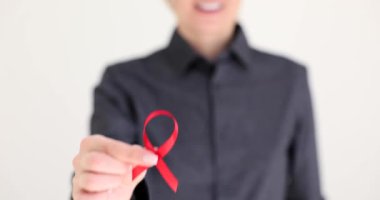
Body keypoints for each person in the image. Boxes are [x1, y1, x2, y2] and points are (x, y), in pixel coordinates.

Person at [72, 0, 325, 199]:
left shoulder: (290, 80)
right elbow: (106, 185)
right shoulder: (123, 83)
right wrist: (96, 190)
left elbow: (307, 194)